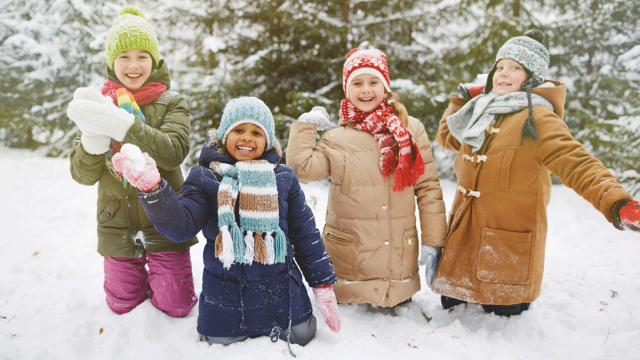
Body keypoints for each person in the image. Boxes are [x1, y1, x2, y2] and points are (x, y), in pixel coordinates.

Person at [432, 30, 640, 316]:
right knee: (449, 307)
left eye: (515, 68)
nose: (503, 74)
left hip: (505, 250)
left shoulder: (538, 117)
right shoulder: (483, 108)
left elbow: (576, 162)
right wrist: (461, 99)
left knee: (503, 316)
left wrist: (617, 202)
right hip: (462, 243)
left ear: (532, 77)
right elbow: (448, 137)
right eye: (500, 66)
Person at [111, 97, 340, 353]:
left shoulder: (284, 178)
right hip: (226, 304)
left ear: (268, 140)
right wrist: (153, 188)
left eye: (256, 132)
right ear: (223, 135)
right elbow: (180, 226)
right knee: (220, 347)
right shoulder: (205, 178)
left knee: (303, 334)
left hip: (283, 301)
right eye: (238, 130)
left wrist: (322, 285)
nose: (247, 138)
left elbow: (306, 235)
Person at [286, 48, 448, 314]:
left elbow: (428, 188)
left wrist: (434, 240)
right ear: (347, 89)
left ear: (385, 87)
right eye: (357, 83)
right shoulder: (337, 138)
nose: (366, 90)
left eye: (374, 82)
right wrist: (305, 127)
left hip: (398, 273)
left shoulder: (411, 129)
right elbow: (301, 169)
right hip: (350, 274)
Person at [67, 5, 198, 317]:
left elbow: (173, 151)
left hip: (167, 222)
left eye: (142, 56)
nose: (134, 64)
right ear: (113, 62)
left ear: (153, 60)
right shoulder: (98, 106)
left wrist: (121, 125)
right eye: (124, 56)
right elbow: (82, 175)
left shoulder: (172, 103)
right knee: (121, 305)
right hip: (117, 223)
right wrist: (93, 138)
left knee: (176, 307)